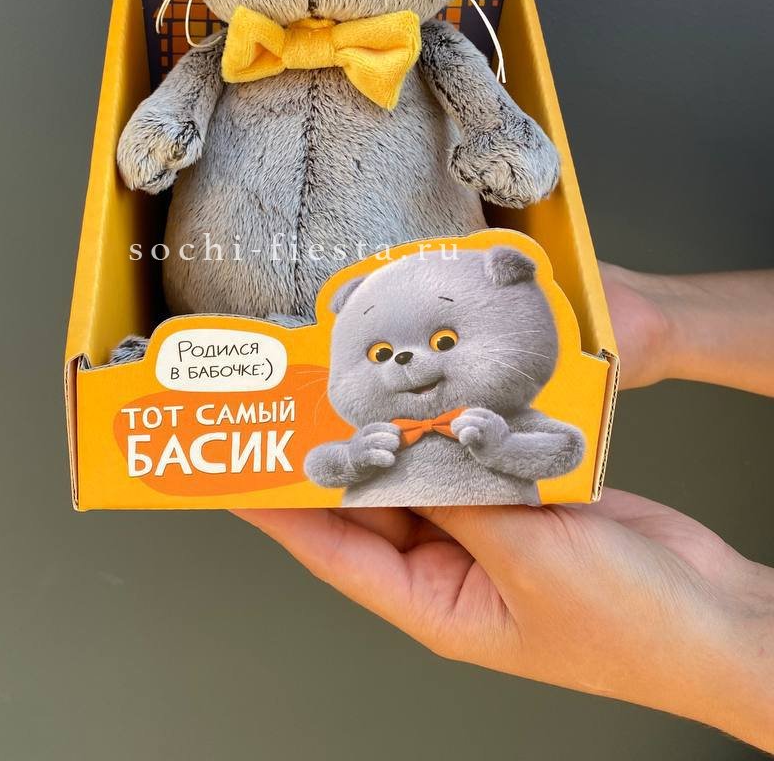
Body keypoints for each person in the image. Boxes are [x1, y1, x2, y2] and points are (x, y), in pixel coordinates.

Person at [235, 265, 774, 750]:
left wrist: (503, 448)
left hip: (455, 555)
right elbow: (321, 463)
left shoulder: (507, 416)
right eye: (378, 354)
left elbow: (564, 448)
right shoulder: (376, 430)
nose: (403, 360)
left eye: (444, 340)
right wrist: (352, 457)